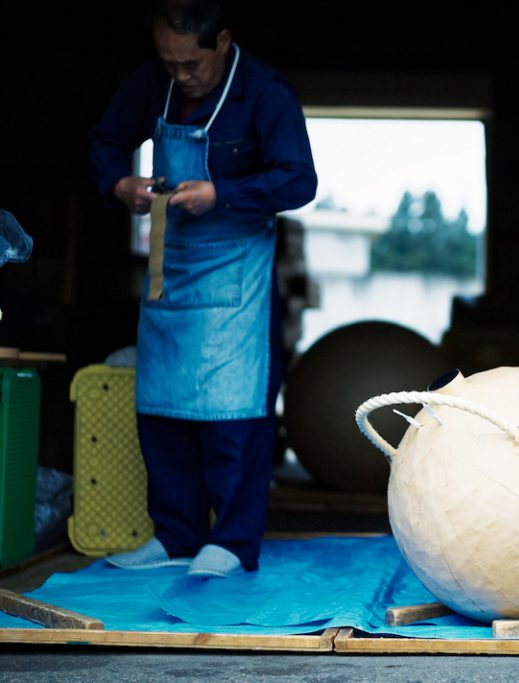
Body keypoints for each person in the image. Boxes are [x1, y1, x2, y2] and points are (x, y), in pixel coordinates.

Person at [88, 0, 317, 577]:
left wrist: (222, 194)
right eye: (169, 64)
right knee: (161, 402)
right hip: (173, 264)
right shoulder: (153, 83)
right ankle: (176, 535)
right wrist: (119, 185)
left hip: (237, 267)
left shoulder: (264, 92)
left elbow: (299, 180)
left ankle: (233, 540)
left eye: (191, 64)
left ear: (223, 42)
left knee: (233, 409)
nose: (181, 75)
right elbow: (106, 140)